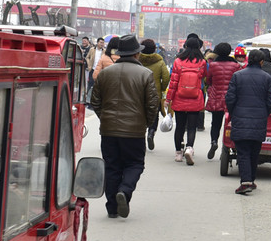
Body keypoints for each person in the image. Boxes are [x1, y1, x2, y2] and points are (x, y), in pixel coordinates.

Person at [89, 34, 160, 218]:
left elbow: (95, 102)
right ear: (137, 54)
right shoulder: (145, 74)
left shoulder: (105, 73)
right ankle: (125, 190)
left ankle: (112, 208)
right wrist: (145, 123)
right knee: (135, 164)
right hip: (134, 131)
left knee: (112, 167)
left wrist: (104, 118)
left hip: (108, 130)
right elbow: (152, 104)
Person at [224, 49, 271, 194]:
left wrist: (235, 112)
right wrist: (264, 112)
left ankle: (246, 182)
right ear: (261, 62)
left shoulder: (237, 76)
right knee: (254, 152)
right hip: (259, 120)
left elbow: (229, 98)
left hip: (240, 119)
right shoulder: (267, 78)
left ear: (248, 59)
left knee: (243, 152)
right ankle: (250, 180)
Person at [166, 36, 208, 165]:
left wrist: (168, 99)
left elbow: (173, 82)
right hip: (195, 97)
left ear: (185, 46)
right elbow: (205, 77)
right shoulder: (202, 62)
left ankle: (178, 153)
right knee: (191, 127)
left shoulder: (178, 61)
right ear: (199, 47)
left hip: (179, 97)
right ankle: (189, 148)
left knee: (179, 127)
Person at [204, 43, 241, 160]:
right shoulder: (236, 66)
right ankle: (225, 148)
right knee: (229, 125)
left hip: (216, 98)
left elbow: (208, 80)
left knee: (215, 123)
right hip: (231, 99)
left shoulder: (213, 65)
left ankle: (214, 141)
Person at [137, 38, 170, 151]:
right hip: (154, 93)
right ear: (154, 49)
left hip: (138, 92)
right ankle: (151, 132)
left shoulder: (137, 61)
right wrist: (162, 89)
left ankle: (140, 136)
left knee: (140, 115)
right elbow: (166, 77)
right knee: (154, 114)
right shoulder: (160, 62)